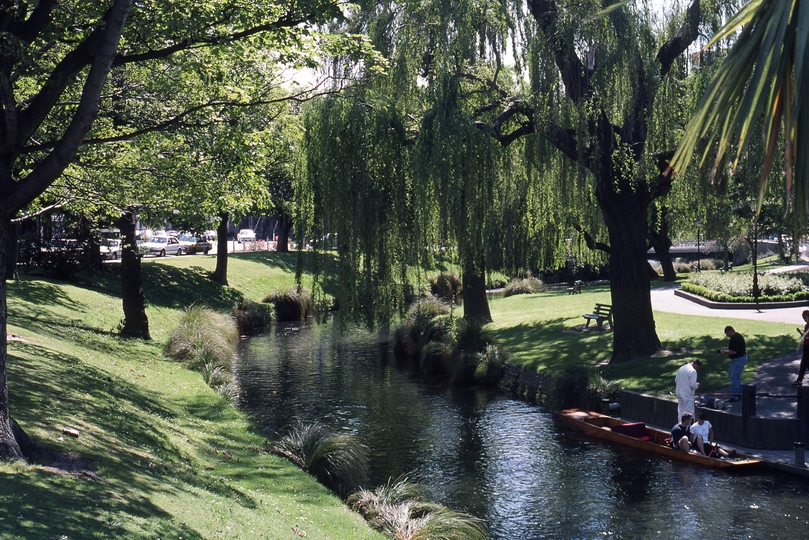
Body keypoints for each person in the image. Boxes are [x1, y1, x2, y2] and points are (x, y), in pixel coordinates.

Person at [720, 326, 747, 401]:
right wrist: (727, 349)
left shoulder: (736, 338)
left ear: (730, 331)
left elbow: (733, 351)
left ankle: (734, 396)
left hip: (739, 359)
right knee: (731, 374)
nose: (727, 336)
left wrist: (724, 352)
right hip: (737, 359)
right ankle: (740, 391)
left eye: (727, 334)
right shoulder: (735, 337)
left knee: (734, 376)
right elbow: (731, 348)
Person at [793, 310, 809, 386]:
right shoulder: (806, 326)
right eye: (803, 318)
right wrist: (800, 332)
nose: (805, 319)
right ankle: (799, 380)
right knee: (806, 364)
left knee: (804, 363)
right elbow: (805, 336)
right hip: (806, 346)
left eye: (805, 318)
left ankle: (799, 380)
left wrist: (805, 337)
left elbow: (806, 337)